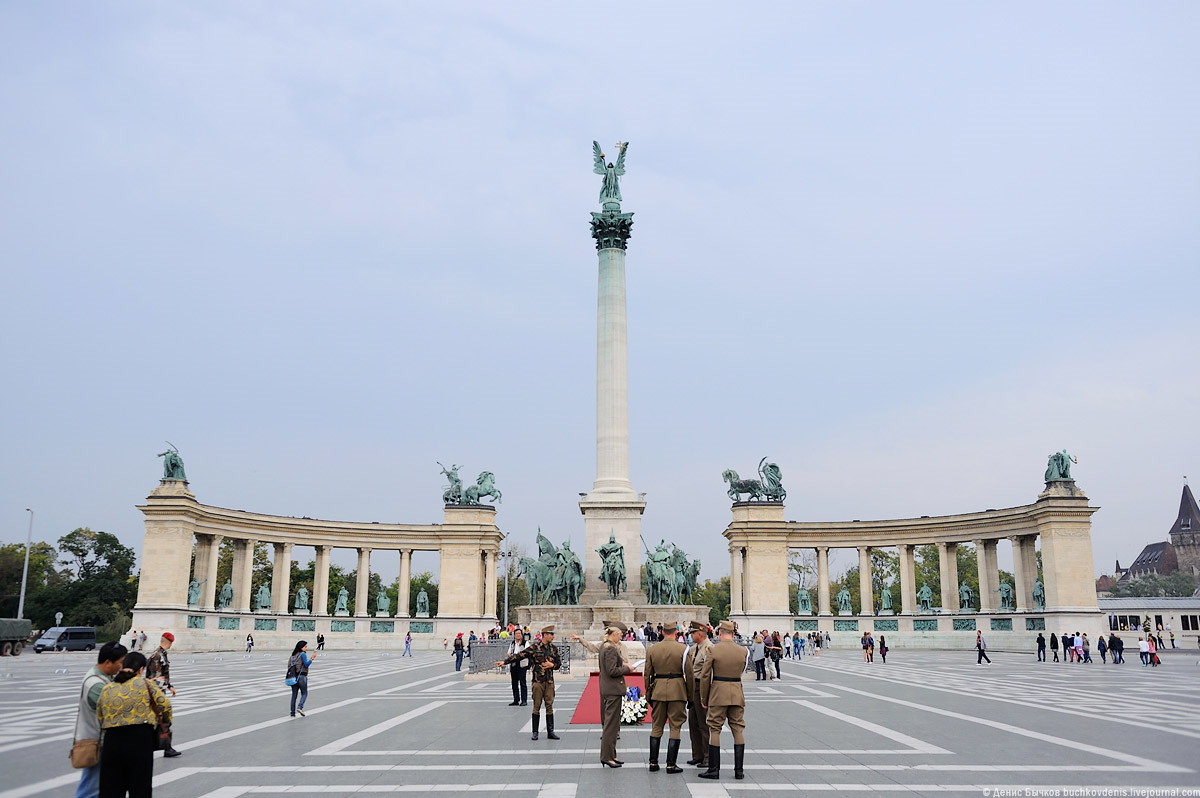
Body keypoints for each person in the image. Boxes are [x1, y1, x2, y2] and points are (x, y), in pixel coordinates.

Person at [96, 651, 172, 798]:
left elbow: (100, 715)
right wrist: (166, 722)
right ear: (141, 669)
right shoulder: (146, 684)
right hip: (140, 739)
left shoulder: (108, 688)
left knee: (110, 789)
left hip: (112, 741)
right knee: (140, 787)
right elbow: (165, 706)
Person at [73, 642, 127, 798]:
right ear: (108, 662)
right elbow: (117, 712)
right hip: (97, 742)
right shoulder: (96, 685)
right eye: (120, 662)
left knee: (95, 784)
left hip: (100, 740)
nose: (121, 666)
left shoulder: (103, 678)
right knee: (90, 788)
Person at [699, 620, 749, 780]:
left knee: (714, 728)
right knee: (738, 729)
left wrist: (704, 697)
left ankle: (714, 769)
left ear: (720, 633)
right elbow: (742, 670)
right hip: (736, 691)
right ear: (733, 634)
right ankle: (739, 771)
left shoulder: (713, 650)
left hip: (718, 692)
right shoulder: (743, 651)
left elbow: (705, 675)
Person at [500, 625, 561, 741]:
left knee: (549, 706)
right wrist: (504, 662)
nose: (553, 636)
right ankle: (535, 732)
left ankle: (550, 731)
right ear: (544, 635)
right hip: (538, 681)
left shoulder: (553, 649)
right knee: (536, 706)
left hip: (549, 681)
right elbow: (519, 656)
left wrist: (552, 665)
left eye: (553, 634)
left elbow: (559, 663)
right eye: (551, 634)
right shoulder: (534, 647)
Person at [645, 621, 687, 773]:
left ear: (662, 632)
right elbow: (688, 673)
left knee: (657, 726)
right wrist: (689, 695)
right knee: (675, 726)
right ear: (676, 632)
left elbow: (647, 674)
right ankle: (671, 764)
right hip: (677, 690)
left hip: (658, 689)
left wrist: (648, 693)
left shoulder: (652, 649)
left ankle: (653, 763)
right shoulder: (683, 649)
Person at [144, 632, 181, 757]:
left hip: (159, 691)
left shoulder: (161, 655)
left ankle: (166, 747)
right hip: (156, 693)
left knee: (162, 721)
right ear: (169, 642)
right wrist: (159, 696)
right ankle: (165, 747)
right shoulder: (157, 656)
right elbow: (155, 679)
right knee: (160, 720)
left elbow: (163, 675)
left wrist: (170, 686)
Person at [683, 620, 714, 769]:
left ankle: (707, 757)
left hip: (702, 687)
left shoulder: (709, 648)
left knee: (703, 723)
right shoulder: (694, 648)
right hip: (692, 686)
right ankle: (697, 755)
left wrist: (705, 694)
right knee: (693, 722)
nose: (691, 636)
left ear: (700, 634)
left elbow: (708, 673)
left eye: (692, 633)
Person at [287, 640, 317, 717]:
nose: (306, 648)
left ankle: (292, 713)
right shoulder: (302, 654)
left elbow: (289, 666)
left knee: (294, 695)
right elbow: (306, 665)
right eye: (305, 647)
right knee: (304, 693)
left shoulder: (292, 656)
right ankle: (300, 707)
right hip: (301, 676)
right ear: (301, 647)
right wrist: (312, 658)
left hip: (293, 677)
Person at [504, 627, 531, 707]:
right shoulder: (512, 643)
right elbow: (508, 653)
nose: (518, 635)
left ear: (521, 634)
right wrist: (513, 656)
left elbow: (527, 653)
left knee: (523, 682)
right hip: (514, 664)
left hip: (522, 664)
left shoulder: (525, 643)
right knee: (514, 683)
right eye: (516, 634)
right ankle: (516, 699)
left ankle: (524, 700)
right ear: (514, 635)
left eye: (519, 633)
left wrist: (518, 655)